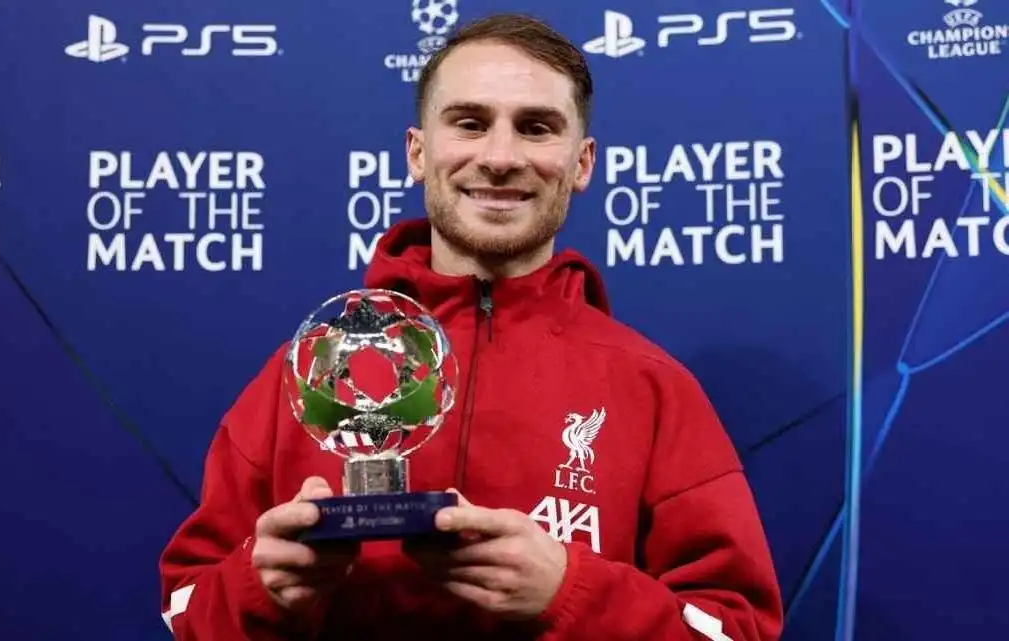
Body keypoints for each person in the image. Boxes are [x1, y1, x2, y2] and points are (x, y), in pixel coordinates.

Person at [159, 12, 783, 641]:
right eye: (469, 123)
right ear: (418, 151)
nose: (500, 157)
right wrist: (258, 588)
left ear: (582, 162)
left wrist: (570, 593)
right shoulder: (304, 375)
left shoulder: (652, 388)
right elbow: (185, 607)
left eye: (536, 128)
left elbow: (738, 629)